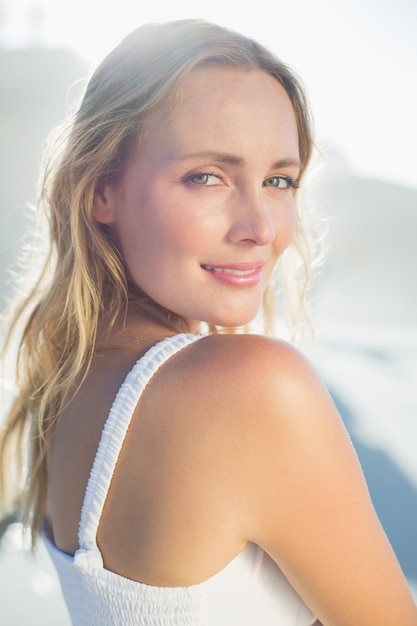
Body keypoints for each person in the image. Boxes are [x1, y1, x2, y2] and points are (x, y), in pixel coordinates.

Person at [0, 19, 416, 626]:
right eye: (208, 177)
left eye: (279, 180)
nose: (262, 228)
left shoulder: (65, 382)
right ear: (101, 190)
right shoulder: (249, 386)